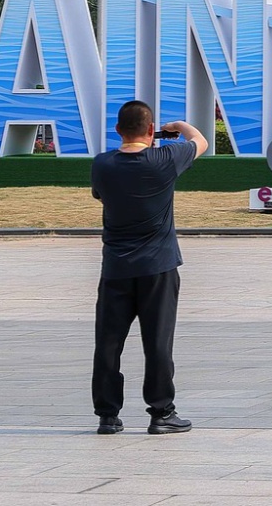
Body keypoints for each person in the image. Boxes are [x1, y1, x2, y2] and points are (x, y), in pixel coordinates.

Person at [89, 101, 208, 435]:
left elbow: (100, 196)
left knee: (109, 342)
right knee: (157, 341)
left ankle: (107, 415)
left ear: (117, 130)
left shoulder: (102, 164)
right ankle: (161, 412)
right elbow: (200, 140)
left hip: (115, 267)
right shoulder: (164, 159)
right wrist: (178, 126)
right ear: (152, 130)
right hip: (158, 266)